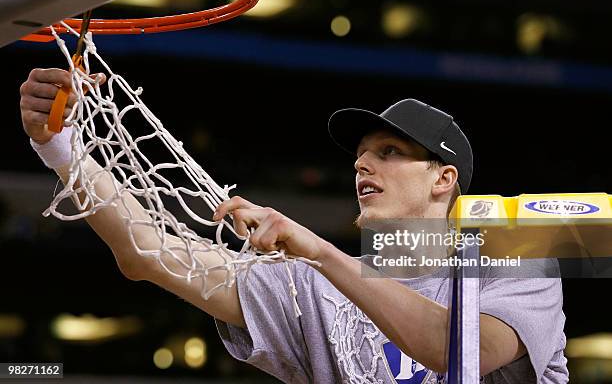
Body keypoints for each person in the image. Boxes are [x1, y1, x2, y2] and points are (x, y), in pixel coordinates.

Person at [20, 68, 568, 383]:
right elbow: (147, 252)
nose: (361, 164)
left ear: (442, 179)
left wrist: (320, 252)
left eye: (389, 151)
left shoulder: (515, 259)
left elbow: (458, 351)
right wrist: (62, 149)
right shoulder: (309, 284)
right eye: (359, 155)